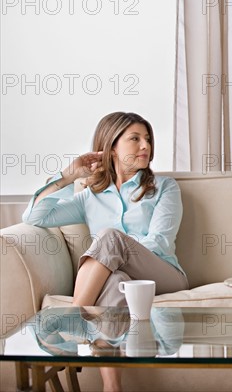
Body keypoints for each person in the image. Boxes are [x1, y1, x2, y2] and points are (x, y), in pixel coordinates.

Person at [22, 112, 189, 392]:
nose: (145, 146)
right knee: (112, 285)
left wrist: (116, 252)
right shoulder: (90, 196)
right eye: (135, 139)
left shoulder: (164, 187)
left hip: (163, 276)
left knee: (110, 238)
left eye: (147, 139)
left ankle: (74, 319)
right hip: (122, 282)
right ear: (112, 147)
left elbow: (159, 242)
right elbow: (34, 217)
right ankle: (112, 387)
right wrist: (66, 177)